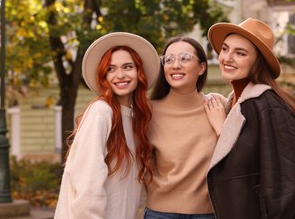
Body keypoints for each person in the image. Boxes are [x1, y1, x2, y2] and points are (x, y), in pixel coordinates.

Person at [206, 18, 295, 218]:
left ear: (258, 61)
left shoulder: (270, 107)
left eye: (240, 53)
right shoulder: (236, 103)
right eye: (225, 49)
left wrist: (223, 131)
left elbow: (283, 190)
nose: (227, 58)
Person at [54, 32, 160, 219]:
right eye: (111, 69)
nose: (120, 75)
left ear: (139, 72)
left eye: (127, 67)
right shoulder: (101, 112)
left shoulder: (136, 119)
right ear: (104, 75)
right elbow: (87, 184)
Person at [144, 36, 226, 219]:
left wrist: (222, 131)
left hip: (209, 214)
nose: (175, 65)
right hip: (160, 214)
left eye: (185, 58)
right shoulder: (149, 112)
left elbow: (238, 159)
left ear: (202, 67)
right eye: (169, 60)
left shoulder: (218, 105)